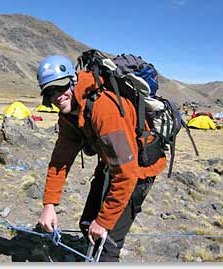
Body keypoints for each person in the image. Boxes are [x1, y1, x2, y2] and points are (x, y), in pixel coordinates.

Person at [36, 55, 166, 261]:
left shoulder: (104, 109)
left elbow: (127, 174)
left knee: (107, 246)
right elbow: (60, 162)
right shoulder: (69, 116)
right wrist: (49, 205)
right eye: (50, 91)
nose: (57, 96)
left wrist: (104, 222)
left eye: (61, 88)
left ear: (72, 81)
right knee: (87, 224)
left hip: (139, 170)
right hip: (111, 163)